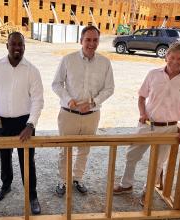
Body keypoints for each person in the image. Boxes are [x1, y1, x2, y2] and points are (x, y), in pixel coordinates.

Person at [113, 43, 180, 206]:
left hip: (169, 128)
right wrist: (142, 113)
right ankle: (126, 185)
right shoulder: (153, 74)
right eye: (172, 57)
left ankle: (148, 192)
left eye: (179, 58)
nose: (175, 61)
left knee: (158, 162)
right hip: (147, 124)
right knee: (132, 155)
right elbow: (141, 97)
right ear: (166, 56)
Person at [0, 32, 44, 214]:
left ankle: (32, 195)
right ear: (6, 46)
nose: (17, 48)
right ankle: (6, 185)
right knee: (4, 156)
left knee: (27, 160)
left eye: (20, 45)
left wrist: (31, 125)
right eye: (13, 44)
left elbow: (38, 100)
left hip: (24, 123)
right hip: (1, 122)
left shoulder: (32, 70)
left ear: (24, 46)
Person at [52, 25, 115, 197]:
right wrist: (68, 100)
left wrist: (94, 102)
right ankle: (63, 181)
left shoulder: (105, 63)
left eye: (95, 40)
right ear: (81, 41)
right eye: (88, 39)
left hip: (92, 115)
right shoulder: (68, 60)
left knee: (84, 148)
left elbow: (109, 88)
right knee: (65, 149)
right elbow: (56, 84)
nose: (91, 44)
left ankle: (77, 178)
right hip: (68, 114)